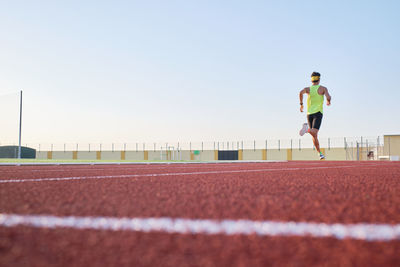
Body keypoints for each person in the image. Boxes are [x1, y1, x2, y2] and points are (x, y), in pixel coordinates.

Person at [298, 72, 331, 160]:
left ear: (311, 79)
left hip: (309, 114)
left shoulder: (308, 89)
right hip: (318, 113)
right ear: (319, 79)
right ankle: (307, 129)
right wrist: (328, 101)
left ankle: (320, 153)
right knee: (314, 132)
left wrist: (301, 105)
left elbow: (300, 93)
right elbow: (328, 96)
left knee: (314, 135)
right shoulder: (323, 88)